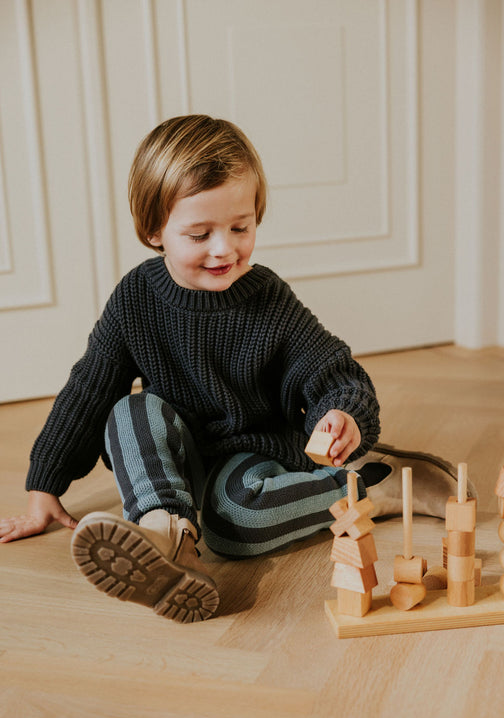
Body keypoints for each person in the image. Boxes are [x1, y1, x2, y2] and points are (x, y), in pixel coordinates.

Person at [0, 115, 471, 623]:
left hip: (251, 454)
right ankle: (167, 534)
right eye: (199, 234)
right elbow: (89, 389)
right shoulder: (136, 297)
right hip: (176, 452)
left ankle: (370, 485)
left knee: (235, 526)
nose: (224, 248)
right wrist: (43, 488)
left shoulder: (268, 297)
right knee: (128, 410)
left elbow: (334, 372)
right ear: (154, 231)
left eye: (240, 228)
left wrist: (343, 415)